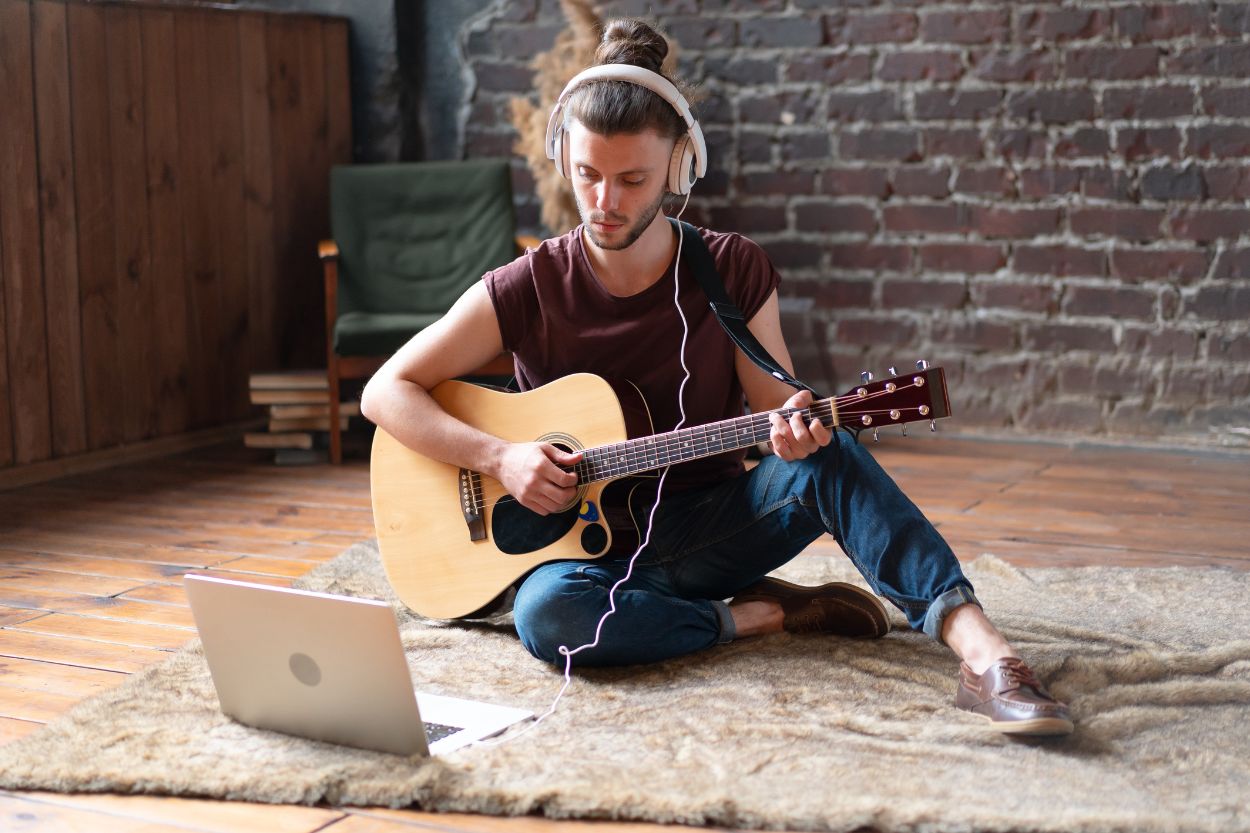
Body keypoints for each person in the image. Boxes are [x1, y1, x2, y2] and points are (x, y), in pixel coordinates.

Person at [361, 18, 1072, 736]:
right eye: (586, 174)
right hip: (588, 556)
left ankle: (986, 657)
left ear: (678, 171)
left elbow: (773, 399)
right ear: (562, 159)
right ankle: (762, 614)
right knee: (548, 617)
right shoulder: (527, 285)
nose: (604, 201)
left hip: (712, 525)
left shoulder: (732, 270)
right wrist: (501, 455)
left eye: (632, 179)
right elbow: (385, 391)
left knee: (830, 453)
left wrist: (794, 427)